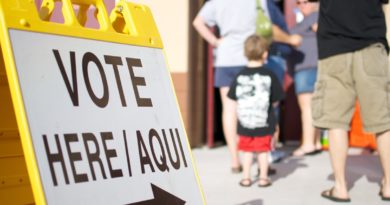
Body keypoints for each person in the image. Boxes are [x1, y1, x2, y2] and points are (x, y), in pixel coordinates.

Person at [193, 0, 301, 174]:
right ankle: (261, 162)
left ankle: (235, 161)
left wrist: (214, 41)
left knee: (229, 110)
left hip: (226, 57)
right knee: (258, 107)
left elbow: (197, 22)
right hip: (251, 58)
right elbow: (266, 28)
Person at [309, 0, 390, 202]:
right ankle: (389, 184)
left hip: (334, 48)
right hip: (372, 45)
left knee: (336, 121)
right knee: (383, 121)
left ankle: (340, 187)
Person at [227, 35, 284, 187]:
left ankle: (246, 178)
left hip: (245, 122)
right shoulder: (269, 74)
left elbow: (233, 96)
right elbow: (276, 98)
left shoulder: (239, 75)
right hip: (264, 122)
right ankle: (263, 179)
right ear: (265, 53)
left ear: (245, 53)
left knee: (247, 151)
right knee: (263, 151)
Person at [289, 0, 321, 156]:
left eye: (306, 2)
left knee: (307, 107)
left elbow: (323, 33)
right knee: (313, 107)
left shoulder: (315, 16)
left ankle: (308, 144)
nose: (302, 6)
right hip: (310, 67)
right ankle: (315, 142)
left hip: (307, 67)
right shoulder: (309, 18)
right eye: (299, 3)